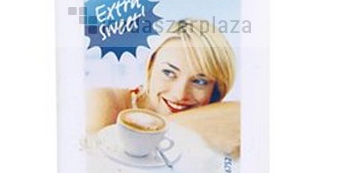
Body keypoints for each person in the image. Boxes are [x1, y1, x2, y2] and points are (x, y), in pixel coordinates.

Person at [87, 19, 240, 157]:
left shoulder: (220, 121)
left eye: (199, 81)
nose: (180, 94)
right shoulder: (103, 101)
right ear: (150, 66)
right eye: (169, 73)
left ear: (216, 90)